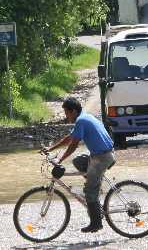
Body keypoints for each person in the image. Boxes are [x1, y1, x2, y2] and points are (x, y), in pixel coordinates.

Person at [43, 97, 115, 233]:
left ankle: (96, 223)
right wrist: (51, 149)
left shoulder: (81, 120)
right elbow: (70, 138)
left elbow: (73, 145)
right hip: (102, 154)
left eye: (67, 113)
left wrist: (60, 160)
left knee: (89, 191)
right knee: (78, 161)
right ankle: (95, 186)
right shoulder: (84, 117)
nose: (66, 116)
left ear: (74, 111)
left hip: (102, 157)